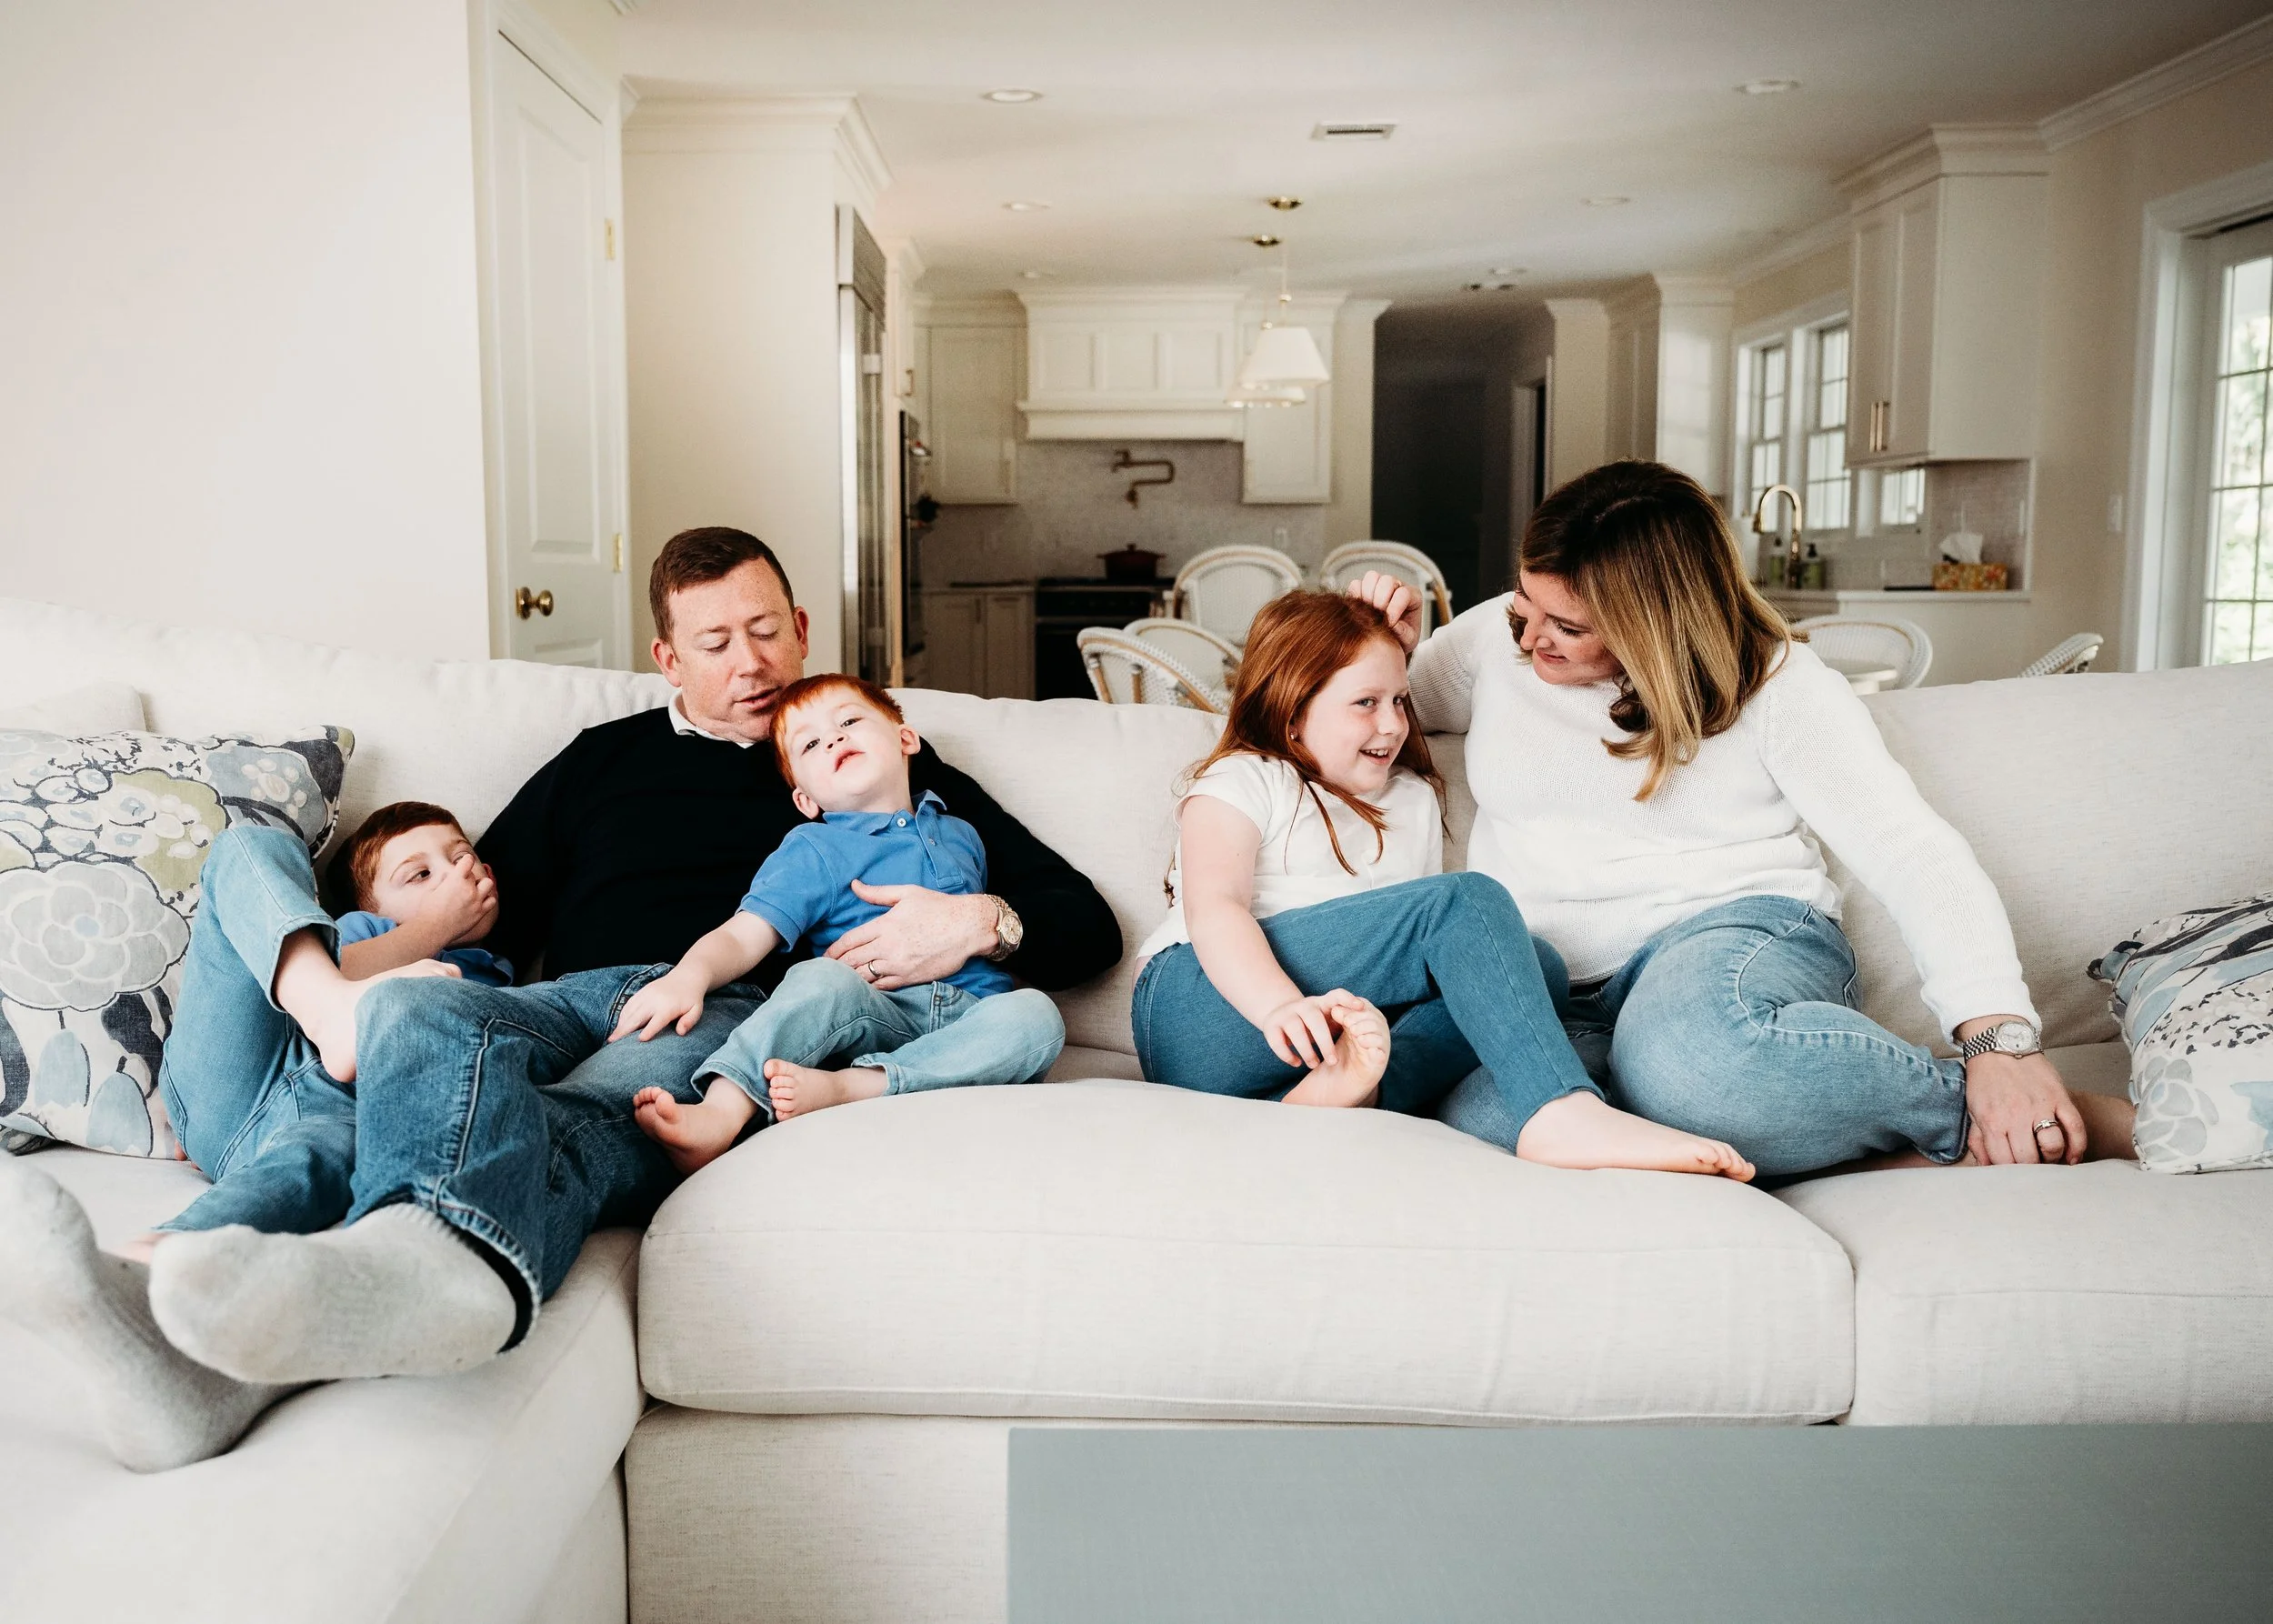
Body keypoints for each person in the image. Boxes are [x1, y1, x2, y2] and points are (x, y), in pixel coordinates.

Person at [0, 526, 1120, 1472]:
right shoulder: (600, 759)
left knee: (590, 1112)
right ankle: (309, 1291)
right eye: (717, 641)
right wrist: (386, 951)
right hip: (563, 998)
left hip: (718, 1015)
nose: (752, 662)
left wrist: (982, 921)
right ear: (666, 656)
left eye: (769, 629)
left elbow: (1086, 925)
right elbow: (479, 904)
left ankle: (409, 1277)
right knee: (414, 1017)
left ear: (804, 629)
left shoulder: (870, 762)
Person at [1348, 459, 2135, 1178]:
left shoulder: (1781, 685)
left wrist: (2000, 1041)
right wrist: (1381, 651)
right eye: (1524, 606)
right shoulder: (1498, 641)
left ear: (1658, 621)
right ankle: (1770, 1127)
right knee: (1482, 1112)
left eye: (1568, 627)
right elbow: (1362, 725)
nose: (1530, 637)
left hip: (1726, 937)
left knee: (1693, 1064)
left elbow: (1911, 851)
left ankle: (2008, 1116)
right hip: (1542, 976)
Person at [1132, 589, 1754, 1178]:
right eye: (1365, 703)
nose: (1394, 724)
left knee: (1537, 965)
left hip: (1313, 1047)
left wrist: (1356, 1043)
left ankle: (1349, 1093)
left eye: (1400, 701)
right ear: (1293, 713)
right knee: (1466, 903)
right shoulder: (1246, 778)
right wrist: (1278, 1007)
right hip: (1203, 1008)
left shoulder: (1411, 800)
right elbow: (1216, 908)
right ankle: (1559, 1109)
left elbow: (1422, 973)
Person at [617, 672, 1066, 1169]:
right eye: (810, 744)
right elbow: (745, 933)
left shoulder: (963, 832)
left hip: (972, 1021)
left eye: (850, 721)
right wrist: (689, 976)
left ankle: (855, 1087)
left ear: (905, 739)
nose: (834, 737)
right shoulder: (814, 846)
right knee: (818, 978)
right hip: (876, 1012)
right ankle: (722, 1111)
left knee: (1037, 1016)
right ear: (805, 801)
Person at [121, 803, 509, 1258]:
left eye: (461, 856)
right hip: (247, 1068)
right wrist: (436, 925)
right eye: (420, 875)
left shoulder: (500, 980)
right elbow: (340, 962)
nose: (454, 875)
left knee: (335, 1155)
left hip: (332, 1118)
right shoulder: (361, 929)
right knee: (252, 844)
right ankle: (330, 1009)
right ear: (370, 906)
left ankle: (166, 1251)